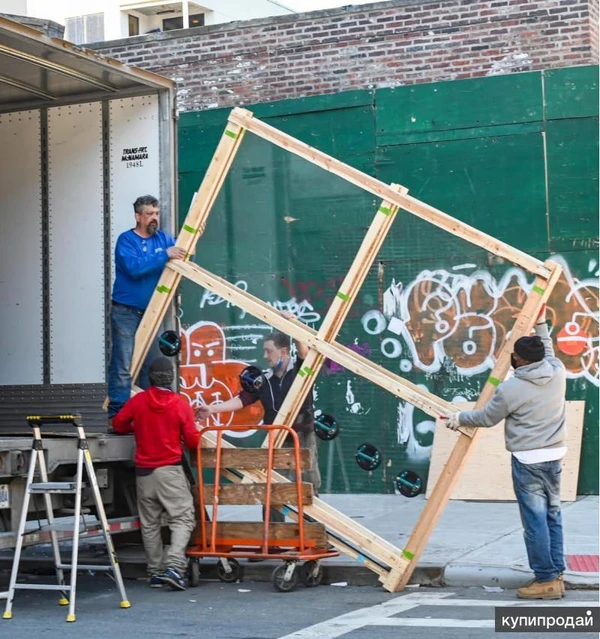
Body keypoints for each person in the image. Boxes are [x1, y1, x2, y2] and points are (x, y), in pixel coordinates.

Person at [445, 304, 566, 600]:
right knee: (552, 514)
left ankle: (546, 579)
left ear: (520, 360)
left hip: (527, 460)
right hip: (554, 455)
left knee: (534, 521)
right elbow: (547, 350)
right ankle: (557, 571)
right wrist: (540, 324)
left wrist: (459, 417)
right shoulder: (557, 371)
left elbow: (486, 417)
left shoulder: (511, 389)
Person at [195, 321, 321, 521]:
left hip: (302, 436)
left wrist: (292, 322)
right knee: (271, 488)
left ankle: (314, 534)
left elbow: (304, 350)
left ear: (284, 351)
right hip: (278, 439)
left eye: (269, 351)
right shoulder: (265, 379)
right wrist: (211, 409)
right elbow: (242, 400)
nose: (265, 356)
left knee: (307, 485)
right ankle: (271, 539)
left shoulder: (300, 370)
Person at [112, 357, 199, 591]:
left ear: (149, 378)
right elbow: (193, 440)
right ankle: (174, 566)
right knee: (182, 518)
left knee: (149, 524)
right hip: (169, 471)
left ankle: (156, 572)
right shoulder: (180, 404)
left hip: (144, 473)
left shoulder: (139, 402)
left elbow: (118, 424)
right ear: (171, 378)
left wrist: (137, 426)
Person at [107, 195, 186, 419]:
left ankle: (149, 417)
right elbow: (134, 268)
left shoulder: (163, 238)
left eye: (157, 213)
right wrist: (163, 255)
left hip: (153, 312)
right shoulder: (126, 240)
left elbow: (184, 254)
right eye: (149, 214)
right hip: (126, 312)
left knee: (152, 366)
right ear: (138, 216)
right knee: (123, 365)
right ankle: (118, 417)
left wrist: (196, 234)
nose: (154, 218)